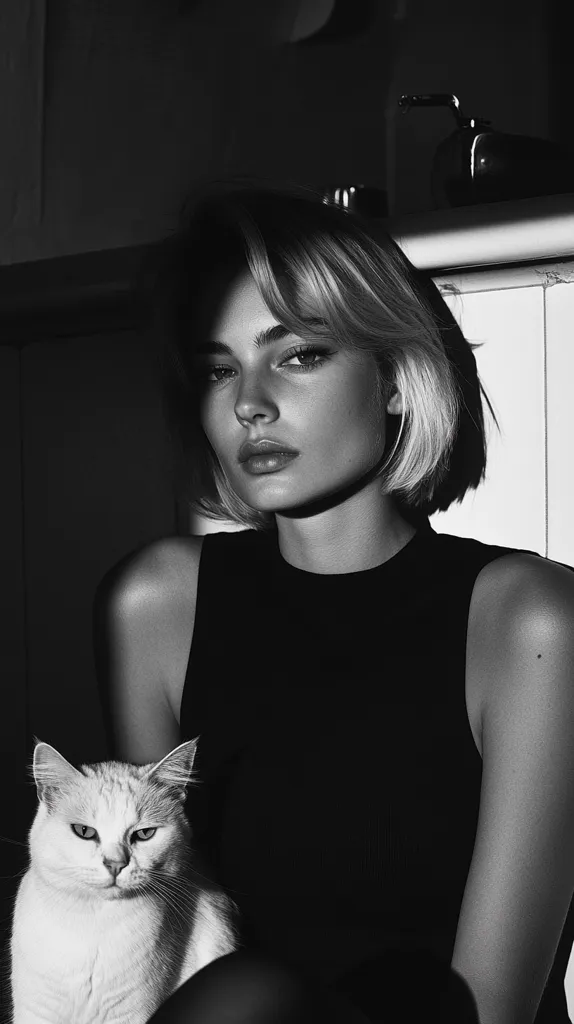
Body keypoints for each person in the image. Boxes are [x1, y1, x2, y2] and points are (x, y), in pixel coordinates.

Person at [94, 177, 574, 1024]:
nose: (250, 403)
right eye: (219, 369)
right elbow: (153, 940)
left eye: (299, 354)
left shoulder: (526, 620)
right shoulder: (158, 606)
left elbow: (489, 1012)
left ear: (394, 376)